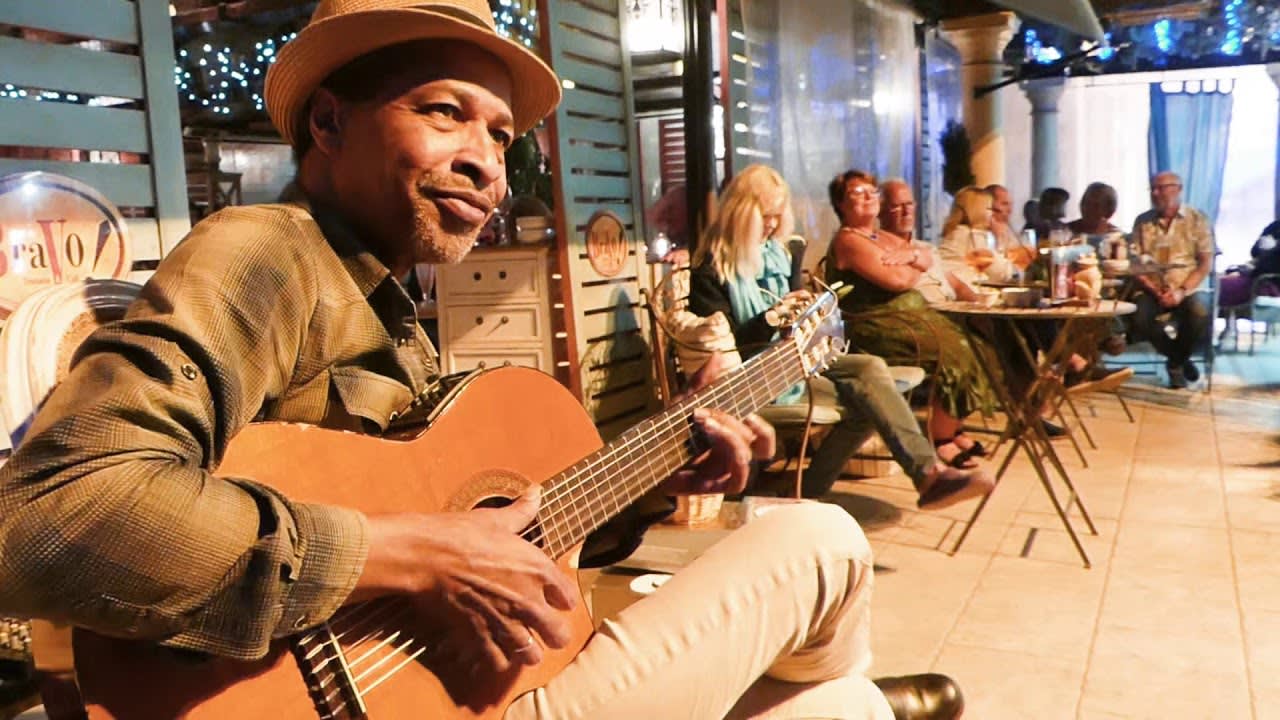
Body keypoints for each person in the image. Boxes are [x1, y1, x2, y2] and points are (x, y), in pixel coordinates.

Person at [0, 2, 961, 719]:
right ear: (329, 126)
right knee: (820, 540)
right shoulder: (266, 254)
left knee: (840, 710)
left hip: (435, 683)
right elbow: (45, 519)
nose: (486, 160)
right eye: (444, 112)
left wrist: (656, 484)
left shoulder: (386, 293)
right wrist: (414, 554)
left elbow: (487, 527)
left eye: (500, 135)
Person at [686, 165, 993, 506]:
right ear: (742, 214)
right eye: (765, 216)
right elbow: (732, 349)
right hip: (753, 374)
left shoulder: (778, 254)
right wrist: (773, 318)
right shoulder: (712, 268)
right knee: (867, 397)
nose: (772, 225)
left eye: (777, 215)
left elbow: (797, 325)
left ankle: (929, 475)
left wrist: (812, 315)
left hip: (793, 360)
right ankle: (813, 491)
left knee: (871, 370)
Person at [826, 169, 1001, 469]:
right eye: (857, 194)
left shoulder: (878, 236)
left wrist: (914, 260)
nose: (868, 198)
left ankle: (955, 429)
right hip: (877, 323)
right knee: (953, 350)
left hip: (907, 314)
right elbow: (897, 281)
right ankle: (941, 439)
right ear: (841, 205)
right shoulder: (848, 240)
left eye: (872, 192)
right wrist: (913, 262)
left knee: (978, 343)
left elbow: (923, 259)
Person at [1129, 171, 1214, 389]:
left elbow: (1205, 263)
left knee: (1200, 312)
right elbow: (1135, 264)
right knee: (1138, 317)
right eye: (1153, 189)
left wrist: (1181, 291)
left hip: (1188, 287)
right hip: (1152, 288)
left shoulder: (1197, 219)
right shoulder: (1143, 222)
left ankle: (1175, 363)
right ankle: (1180, 359)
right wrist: (1156, 291)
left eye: (1161, 188)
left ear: (1178, 188)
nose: (1156, 193)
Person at [878, 179, 973, 304]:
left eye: (909, 204)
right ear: (880, 212)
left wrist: (981, 305)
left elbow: (957, 286)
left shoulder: (927, 248)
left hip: (952, 310)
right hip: (922, 316)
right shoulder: (882, 252)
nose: (906, 212)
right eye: (897, 206)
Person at [937, 186, 1017, 284]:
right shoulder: (972, 235)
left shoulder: (955, 232)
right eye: (989, 209)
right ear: (978, 211)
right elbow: (1002, 274)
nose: (992, 214)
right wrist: (999, 240)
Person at [1219, 221, 1280, 308]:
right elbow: (1254, 251)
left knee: (1216, 287)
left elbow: (1265, 267)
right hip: (1259, 278)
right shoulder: (1276, 226)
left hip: (1265, 284)